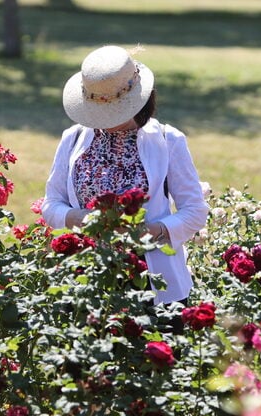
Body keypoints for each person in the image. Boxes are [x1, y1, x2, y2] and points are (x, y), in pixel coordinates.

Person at [42, 45, 210, 305]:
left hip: (152, 280)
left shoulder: (168, 140)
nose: (107, 119)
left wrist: (148, 231)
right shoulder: (73, 139)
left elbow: (195, 211)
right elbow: (51, 204)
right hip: (87, 277)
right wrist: (79, 219)